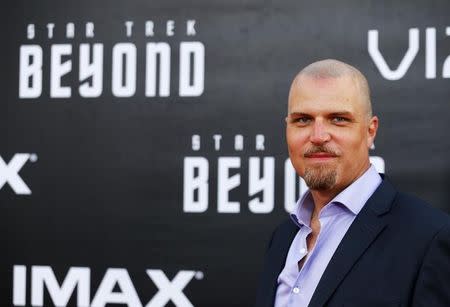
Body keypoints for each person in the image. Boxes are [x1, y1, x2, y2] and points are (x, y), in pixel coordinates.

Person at [255, 59, 450, 307]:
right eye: (303, 120)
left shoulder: (430, 238)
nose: (318, 136)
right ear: (287, 129)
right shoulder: (283, 237)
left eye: (338, 119)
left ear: (370, 131)